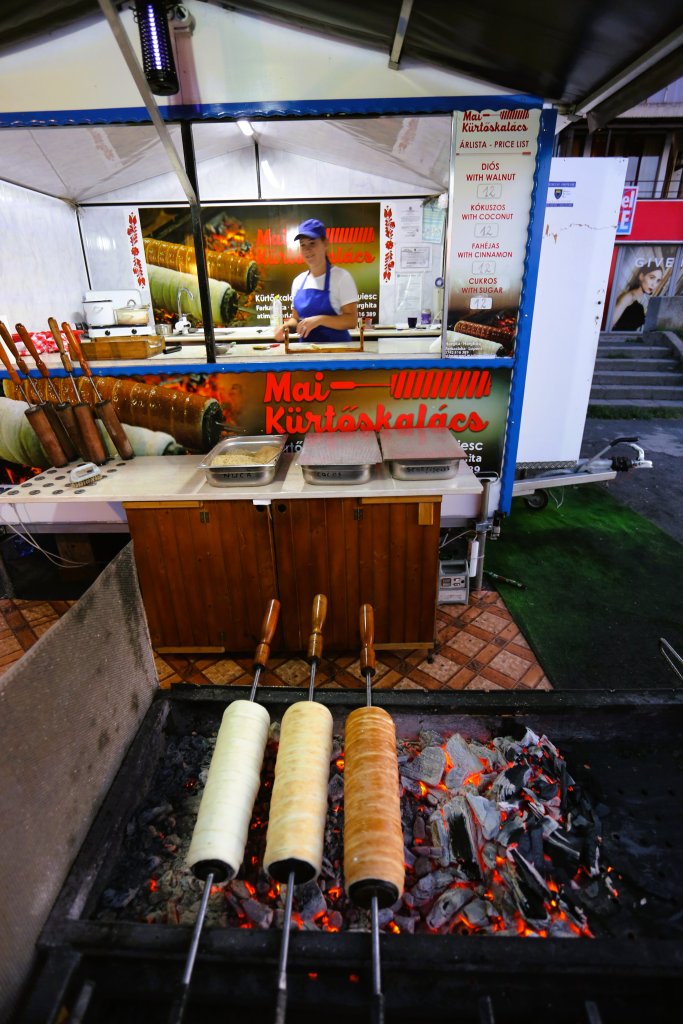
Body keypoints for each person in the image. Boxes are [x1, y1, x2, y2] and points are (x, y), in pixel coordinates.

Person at [274, 219, 359, 344]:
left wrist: (320, 320)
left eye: (312, 243)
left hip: (337, 353)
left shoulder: (341, 277)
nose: (307, 250)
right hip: (306, 353)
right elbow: (296, 319)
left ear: (325, 244)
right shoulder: (298, 282)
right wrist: (285, 327)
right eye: (303, 245)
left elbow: (351, 320)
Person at [611, 265, 664, 331]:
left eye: (658, 281)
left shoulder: (639, 300)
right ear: (641, 276)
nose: (654, 284)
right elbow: (610, 325)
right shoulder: (629, 297)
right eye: (652, 278)